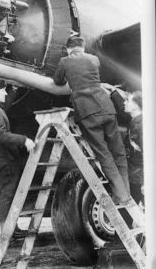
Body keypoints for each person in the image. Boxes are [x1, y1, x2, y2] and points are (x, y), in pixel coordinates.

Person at [53, 36, 131, 205]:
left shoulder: (65, 61)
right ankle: (126, 192)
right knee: (118, 152)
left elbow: (57, 81)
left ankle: (121, 196)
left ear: (68, 49)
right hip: (106, 108)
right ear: (82, 47)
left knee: (104, 155)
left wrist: (70, 78)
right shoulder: (94, 59)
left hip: (87, 112)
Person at [0, 77, 35, 238]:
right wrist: (24, 140)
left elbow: (3, 109)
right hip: (5, 161)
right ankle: (8, 230)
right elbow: (1, 135)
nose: (4, 93)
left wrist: (14, 91)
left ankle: (9, 228)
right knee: (7, 196)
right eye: (3, 91)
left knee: (2, 195)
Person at [124, 91, 144, 205]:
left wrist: (145, 182)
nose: (124, 102)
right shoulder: (135, 122)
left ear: (136, 106)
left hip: (139, 177)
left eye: (127, 101)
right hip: (133, 174)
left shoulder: (141, 126)